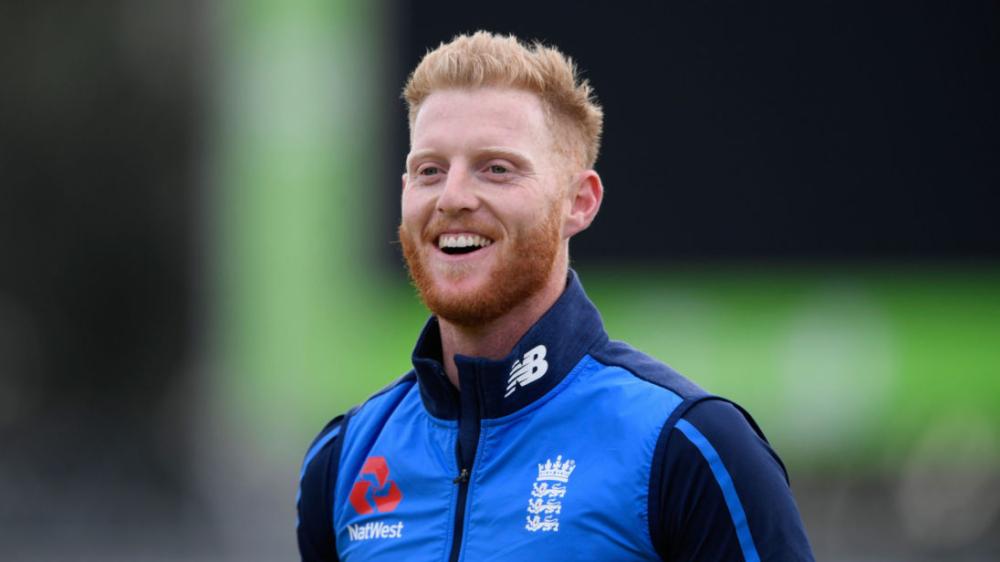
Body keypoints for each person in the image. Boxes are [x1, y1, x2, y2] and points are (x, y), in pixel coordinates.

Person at [297, 31, 814, 561]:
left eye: (496, 168)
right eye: (429, 170)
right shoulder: (344, 462)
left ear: (579, 202)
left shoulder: (690, 446)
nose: (452, 197)